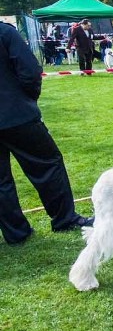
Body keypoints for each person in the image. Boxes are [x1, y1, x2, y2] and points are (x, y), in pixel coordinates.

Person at [0, 22, 94, 245]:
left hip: (16, 111)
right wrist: (28, 99)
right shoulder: (5, 32)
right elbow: (30, 71)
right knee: (48, 164)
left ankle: (16, 232)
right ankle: (64, 218)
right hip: (17, 114)